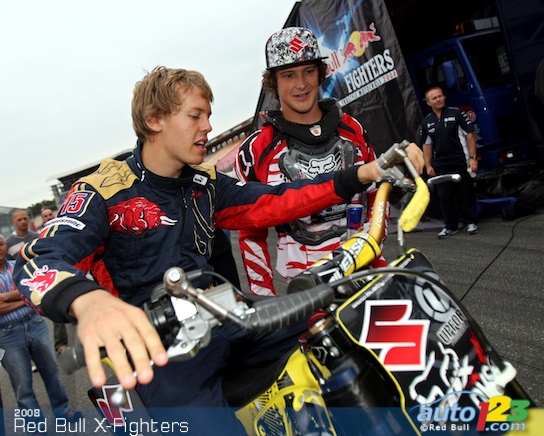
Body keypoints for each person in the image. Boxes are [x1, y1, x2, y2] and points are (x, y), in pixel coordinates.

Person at [14, 66, 424, 433]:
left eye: (208, 116)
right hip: (159, 351)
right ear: (154, 119)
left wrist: (368, 171)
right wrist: (87, 302)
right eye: (195, 116)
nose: (208, 127)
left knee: (341, 330)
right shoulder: (103, 190)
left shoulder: (205, 182)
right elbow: (37, 260)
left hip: (227, 319)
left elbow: (279, 199)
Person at [234, 27, 388, 296]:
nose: (301, 84)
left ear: (320, 72)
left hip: (368, 270)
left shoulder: (351, 128)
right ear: (273, 82)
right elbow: (251, 231)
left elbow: (377, 195)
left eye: (308, 71)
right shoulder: (255, 149)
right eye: (289, 75)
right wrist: (265, 298)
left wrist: (372, 247)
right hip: (307, 290)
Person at [0, 235, 80, 424]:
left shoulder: (20, 268)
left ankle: (62, 410)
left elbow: (35, 289)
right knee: (22, 383)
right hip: (7, 334)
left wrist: (7, 298)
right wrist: (25, 297)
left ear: (5, 246)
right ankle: (34, 424)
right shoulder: (22, 273)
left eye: (0, 244)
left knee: (52, 371)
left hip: (35, 324)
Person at [420, 86, 479, 239]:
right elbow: (427, 145)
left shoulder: (456, 113)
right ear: (428, 102)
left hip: (460, 160)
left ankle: (471, 222)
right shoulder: (427, 122)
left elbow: (470, 135)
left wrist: (472, 158)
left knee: (466, 192)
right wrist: (428, 165)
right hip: (441, 164)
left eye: (440, 96)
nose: (438, 99)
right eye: (434, 98)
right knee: (444, 195)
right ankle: (450, 226)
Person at [40, 208, 70, 356]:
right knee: (57, 308)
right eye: (45, 216)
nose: (48, 217)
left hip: (72, 270)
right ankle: (61, 343)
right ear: (42, 220)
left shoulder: (66, 229)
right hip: (54, 275)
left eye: (50, 214)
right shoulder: (41, 237)